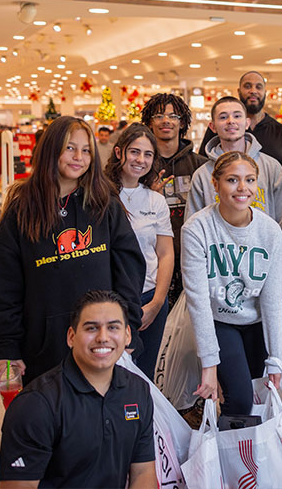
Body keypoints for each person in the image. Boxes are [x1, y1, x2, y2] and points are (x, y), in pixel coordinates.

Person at [0, 115, 147, 385]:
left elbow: (129, 271)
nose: (78, 157)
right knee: (52, 424)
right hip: (42, 349)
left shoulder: (105, 203)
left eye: (86, 150)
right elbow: (3, 285)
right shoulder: (22, 209)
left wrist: (128, 330)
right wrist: (7, 347)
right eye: (70, 147)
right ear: (51, 149)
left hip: (102, 343)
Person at [0, 290, 157, 488]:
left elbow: (143, 471)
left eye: (113, 327)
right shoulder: (35, 405)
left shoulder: (138, 391)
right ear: (71, 337)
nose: (103, 337)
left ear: (127, 336)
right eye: (91, 328)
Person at [182, 151, 282, 415]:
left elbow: (273, 301)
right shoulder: (197, 229)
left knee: (256, 399)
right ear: (215, 184)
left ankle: (246, 454)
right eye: (232, 180)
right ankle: (225, 455)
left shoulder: (270, 230)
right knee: (239, 400)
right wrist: (209, 364)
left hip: (257, 324)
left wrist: (276, 359)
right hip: (220, 321)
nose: (243, 188)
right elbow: (198, 298)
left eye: (250, 180)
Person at [188, 96, 282, 302]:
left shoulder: (271, 167)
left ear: (247, 123)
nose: (231, 121)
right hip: (218, 283)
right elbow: (193, 234)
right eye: (223, 117)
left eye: (237, 115)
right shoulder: (202, 176)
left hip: (266, 274)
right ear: (212, 126)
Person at [105, 123, 174, 379]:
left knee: (144, 377)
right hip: (112, 301)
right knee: (113, 374)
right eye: (135, 152)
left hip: (149, 298)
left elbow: (165, 254)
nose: (141, 160)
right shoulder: (100, 195)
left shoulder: (155, 200)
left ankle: (141, 420)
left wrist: (157, 303)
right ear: (119, 152)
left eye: (148, 154)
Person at [141, 93, 210, 307]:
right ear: (149, 123)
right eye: (159, 115)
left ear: (182, 123)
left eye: (173, 116)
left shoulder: (202, 166)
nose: (166, 121)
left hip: (194, 260)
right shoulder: (141, 165)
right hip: (151, 262)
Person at [197, 71, 282, 164]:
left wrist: (280, 176)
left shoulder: (281, 131)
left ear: (265, 92)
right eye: (247, 86)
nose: (253, 91)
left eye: (258, 87)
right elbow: (203, 162)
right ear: (239, 91)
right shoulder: (222, 128)